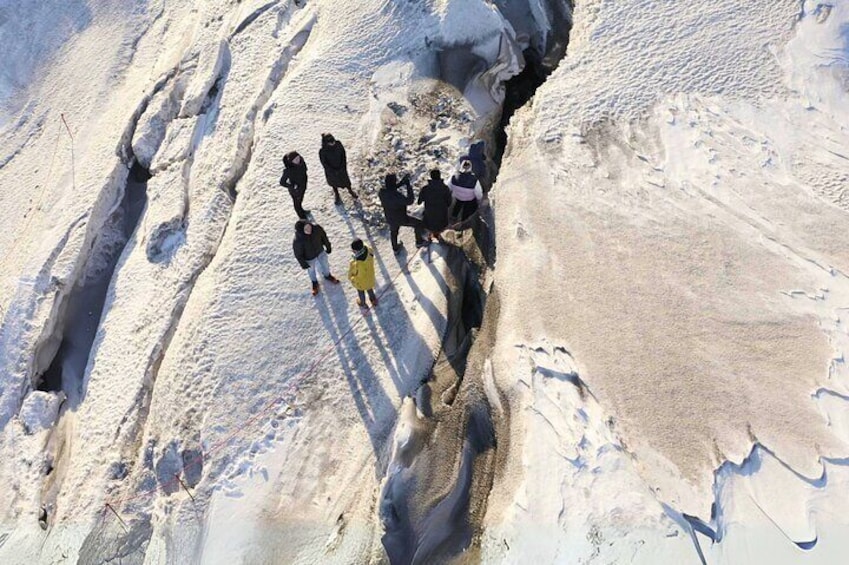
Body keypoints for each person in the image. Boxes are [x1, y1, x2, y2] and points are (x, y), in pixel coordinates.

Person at [378, 173, 427, 253]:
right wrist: (408, 186)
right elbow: (410, 201)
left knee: (393, 232)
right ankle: (419, 242)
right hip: (402, 218)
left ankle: (395, 249)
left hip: (390, 218)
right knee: (418, 223)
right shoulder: (397, 196)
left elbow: (391, 189)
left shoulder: (381, 193)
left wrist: (401, 183)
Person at [292, 219, 339, 295]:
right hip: (309, 258)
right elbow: (298, 254)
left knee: (325, 264)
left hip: (320, 252)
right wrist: (303, 263)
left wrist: (328, 246)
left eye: (309, 226)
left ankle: (327, 275)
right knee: (311, 270)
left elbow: (324, 237)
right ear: (301, 231)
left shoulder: (317, 229)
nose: (309, 229)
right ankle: (314, 282)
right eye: (306, 229)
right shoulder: (298, 240)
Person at [318, 133, 358, 205]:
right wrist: (332, 170)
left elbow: (343, 154)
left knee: (346, 181)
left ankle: (350, 190)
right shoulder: (322, 151)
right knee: (334, 183)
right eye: (331, 142)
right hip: (331, 171)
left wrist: (343, 165)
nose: (333, 143)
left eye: (333, 141)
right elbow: (324, 163)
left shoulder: (338, 144)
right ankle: (336, 194)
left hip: (341, 168)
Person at [417, 169, 452, 240]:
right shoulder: (445, 188)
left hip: (429, 217)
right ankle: (439, 236)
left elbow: (419, 202)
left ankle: (431, 236)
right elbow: (449, 203)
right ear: (439, 176)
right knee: (440, 226)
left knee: (430, 225)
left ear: (431, 177)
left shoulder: (425, 189)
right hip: (442, 217)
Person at [448, 158, 483, 223]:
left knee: (458, 204)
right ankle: (463, 220)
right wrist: (479, 200)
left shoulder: (454, 176)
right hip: (469, 199)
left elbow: (449, 187)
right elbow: (478, 193)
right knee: (467, 208)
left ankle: (453, 216)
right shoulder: (474, 180)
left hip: (458, 197)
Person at [348, 239, 379, 310]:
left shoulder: (356, 263)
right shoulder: (369, 251)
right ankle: (373, 300)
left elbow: (353, 273)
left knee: (361, 292)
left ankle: (362, 303)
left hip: (360, 282)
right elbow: (366, 246)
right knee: (370, 289)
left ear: (355, 251)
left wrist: (352, 278)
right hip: (370, 277)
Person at [280, 151, 310, 219]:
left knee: (300, 201)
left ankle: (302, 210)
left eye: (298, 158)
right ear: (291, 161)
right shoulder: (288, 170)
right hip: (295, 191)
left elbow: (305, 170)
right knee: (297, 203)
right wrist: (292, 186)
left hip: (302, 186)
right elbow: (282, 182)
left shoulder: (302, 162)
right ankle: (302, 216)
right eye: (295, 160)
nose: (298, 160)